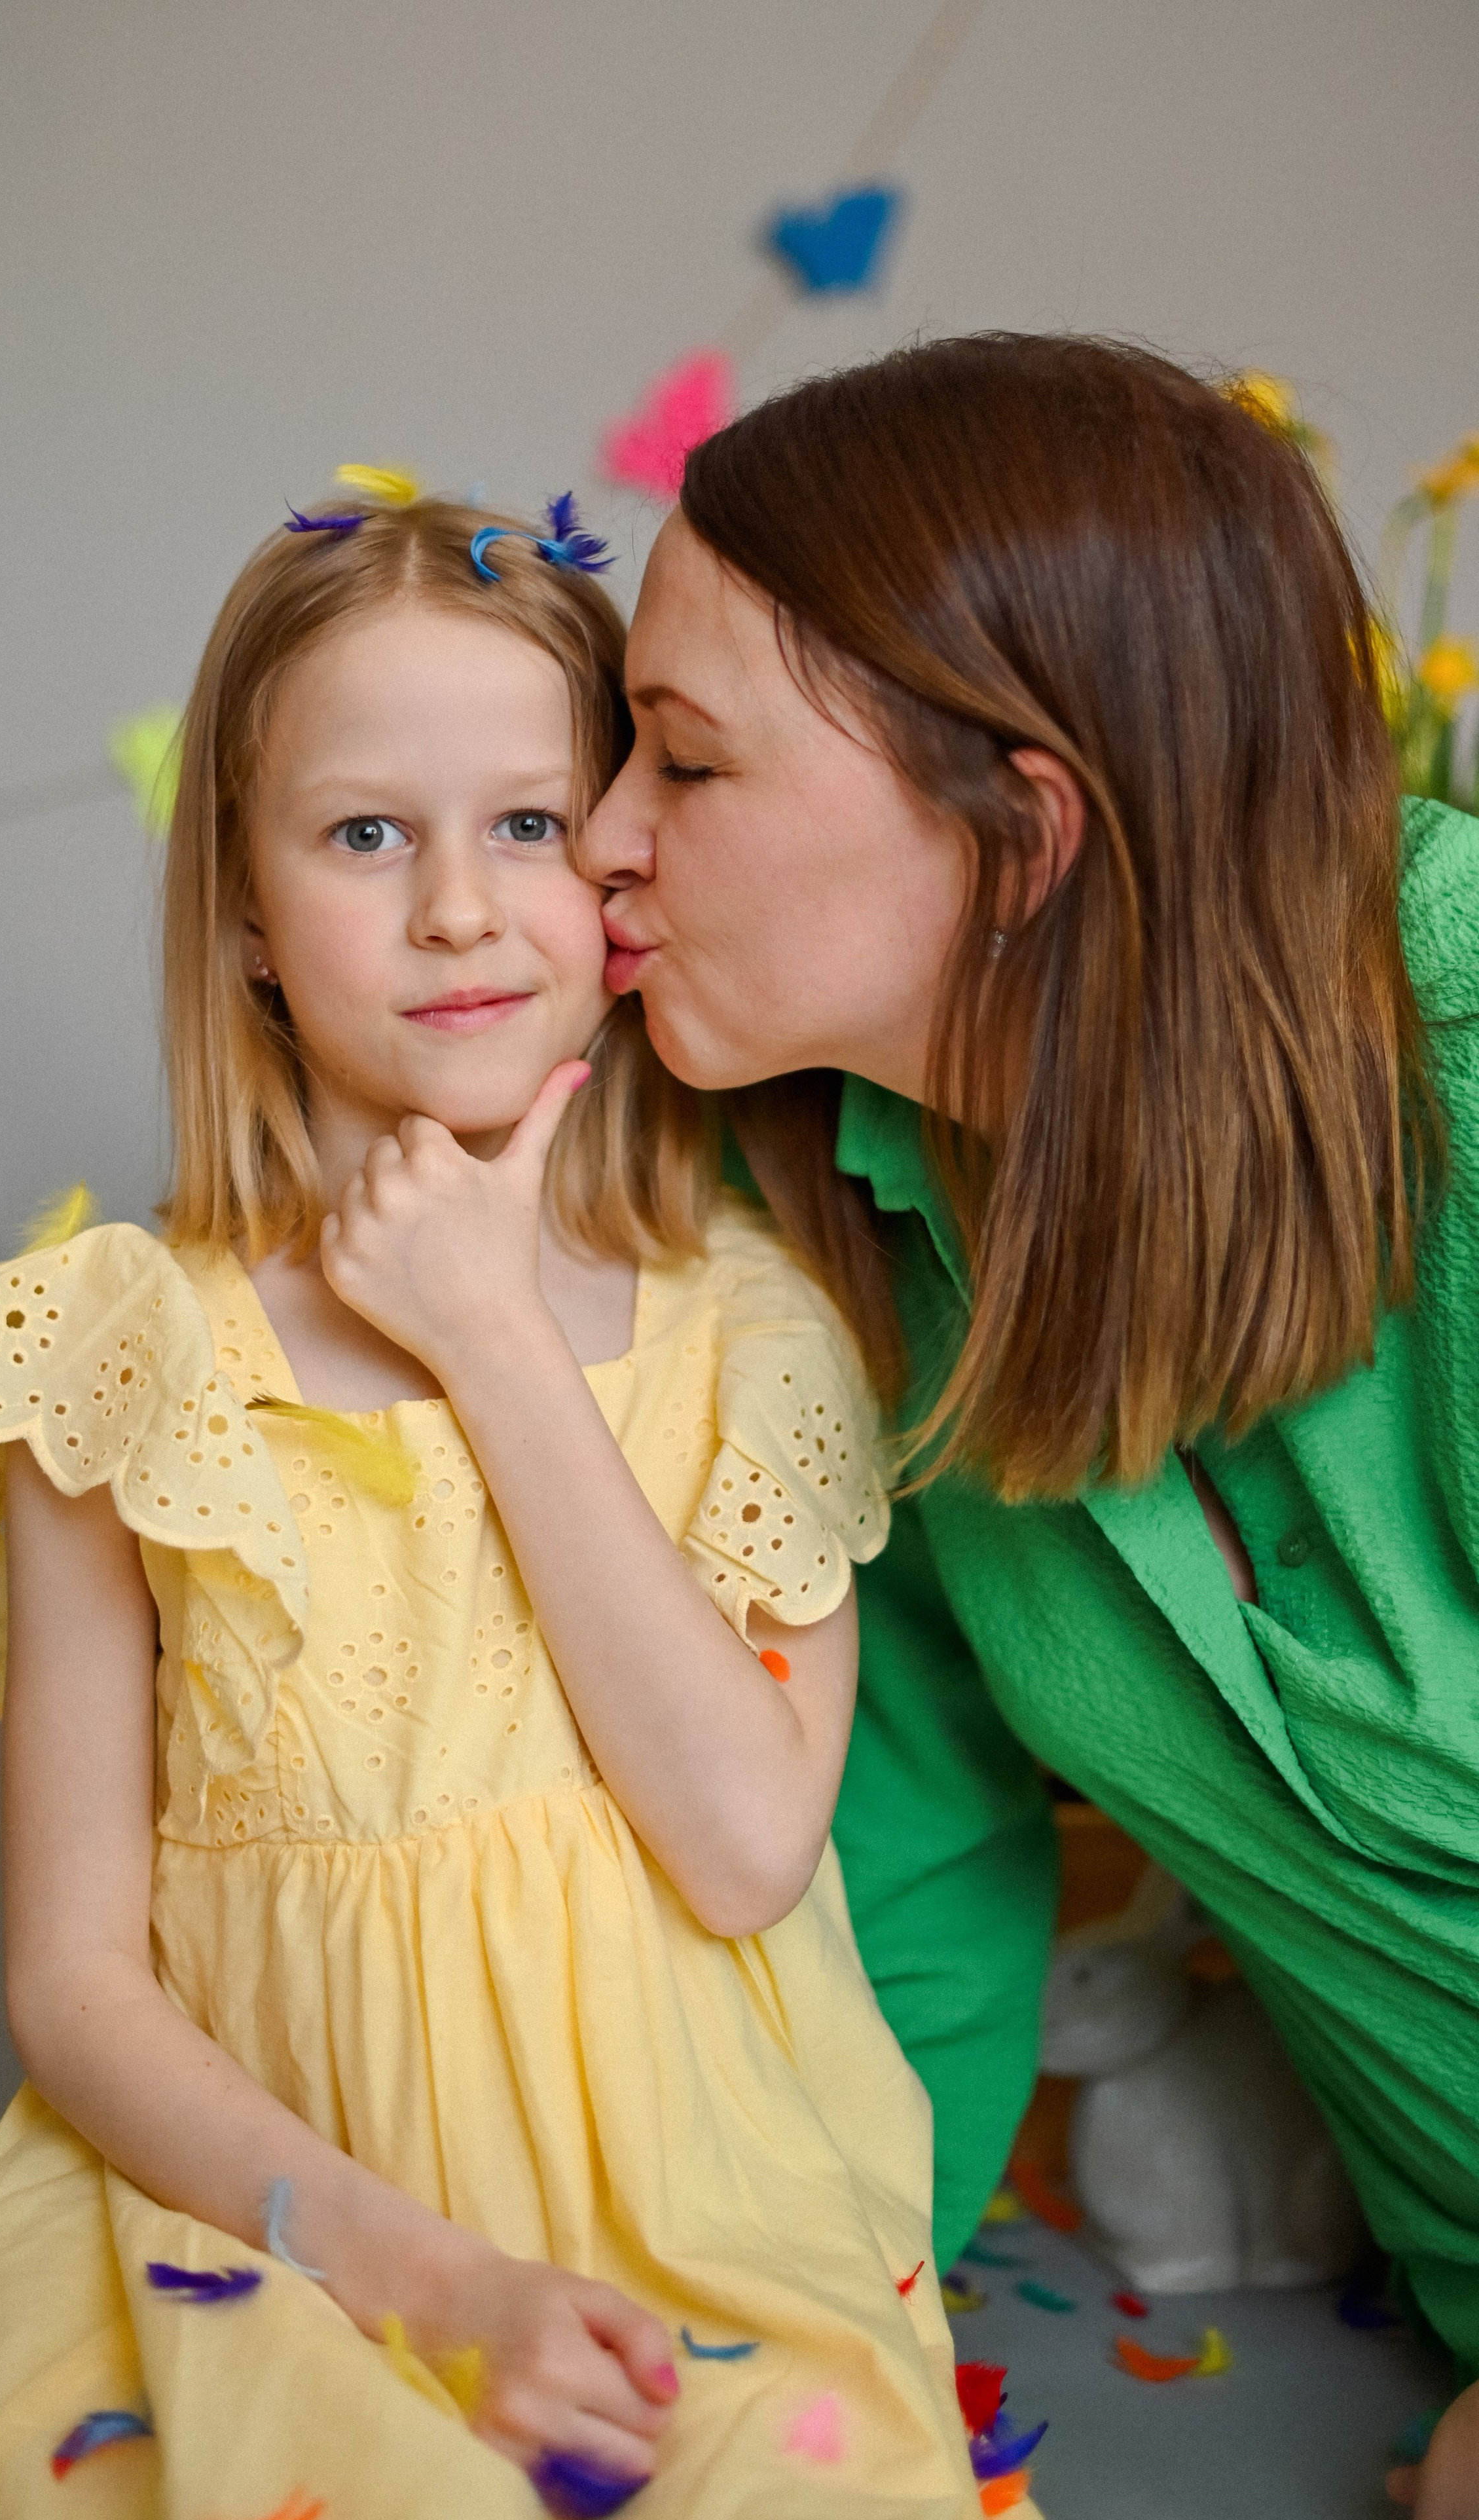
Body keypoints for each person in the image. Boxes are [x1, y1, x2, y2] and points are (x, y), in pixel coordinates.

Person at [0, 487, 989, 2519]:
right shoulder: (117, 1364)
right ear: (246, 917)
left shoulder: (761, 1334)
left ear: (624, 873)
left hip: (691, 2216)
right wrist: (431, 2283)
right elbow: (77, 1985)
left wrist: (492, 1338)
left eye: (531, 825)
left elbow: (741, 1847)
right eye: (367, 833)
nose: (459, 908)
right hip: (264, 2218)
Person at [583, 332, 1479, 2517]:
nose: (600, 840)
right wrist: (801, 2351)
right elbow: (898, 1893)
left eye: (683, 769)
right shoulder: (820, 1235)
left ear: (1022, 831)